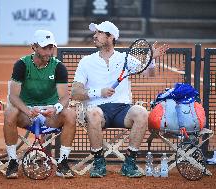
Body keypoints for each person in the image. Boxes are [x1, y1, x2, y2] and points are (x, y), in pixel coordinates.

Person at [71, 21, 169, 178]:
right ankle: (98, 162)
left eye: (99, 33)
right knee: (93, 113)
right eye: (95, 33)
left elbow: (149, 74)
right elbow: (75, 93)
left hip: (122, 110)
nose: (94, 36)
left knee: (142, 112)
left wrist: (151, 58)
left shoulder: (125, 58)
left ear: (110, 37)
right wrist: (98, 92)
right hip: (98, 111)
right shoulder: (86, 61)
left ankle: (129, 162)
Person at [3, 30, 76, 179]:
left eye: (51, 47)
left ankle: (62, 163)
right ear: (34, 47)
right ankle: (12, 162)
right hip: (27, 113)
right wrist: (27, 110)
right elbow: (13, 96)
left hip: (50, 114)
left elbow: (65, 97)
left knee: (70, 114)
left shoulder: (59, 67)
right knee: (10, 112)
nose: (49, 51)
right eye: (45, 47)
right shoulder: (21, 65)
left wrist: (55, 108)